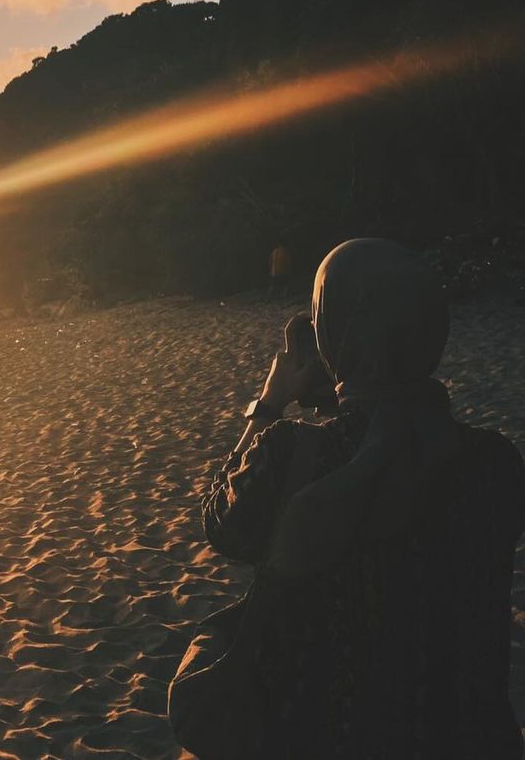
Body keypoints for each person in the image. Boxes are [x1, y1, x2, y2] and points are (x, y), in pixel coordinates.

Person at [197, 238, 525, 758]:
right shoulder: (497, 462)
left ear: (334, 334)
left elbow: (219, 521)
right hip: (468, 735)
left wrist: (270, 402)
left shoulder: (295, 453)